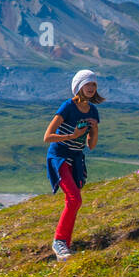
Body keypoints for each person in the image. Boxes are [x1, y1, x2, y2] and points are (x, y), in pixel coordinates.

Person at [43, 69, 104, 261]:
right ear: (78, 86)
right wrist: (72, 136)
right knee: (74, 199)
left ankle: (64, 246)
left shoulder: (93, 111)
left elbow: (91, 145)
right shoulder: (67, 107)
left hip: (76, 159)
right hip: (59, 156)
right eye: (87, 84)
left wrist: (93, 129)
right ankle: (59, 242)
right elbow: (48, 136)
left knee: (74, 201)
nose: (91, 88)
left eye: (93, 84)